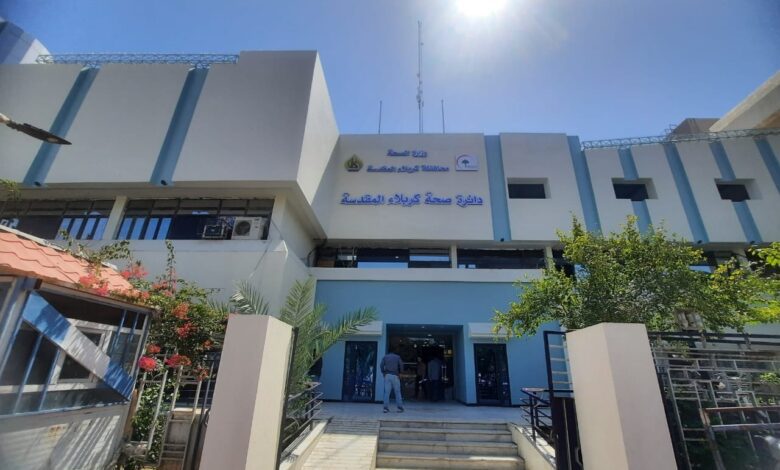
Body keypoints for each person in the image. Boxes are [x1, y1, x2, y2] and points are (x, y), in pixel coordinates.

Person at [380, 349, 405, 413]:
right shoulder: (397, 357)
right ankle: (400, 408)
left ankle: (385, 408)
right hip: (395, 376)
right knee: (397, 392)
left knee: (387, 392)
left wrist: (383, 372)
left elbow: (381, 365)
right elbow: (401, 365)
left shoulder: (385, 357)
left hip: (387, 375)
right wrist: (401, 373)